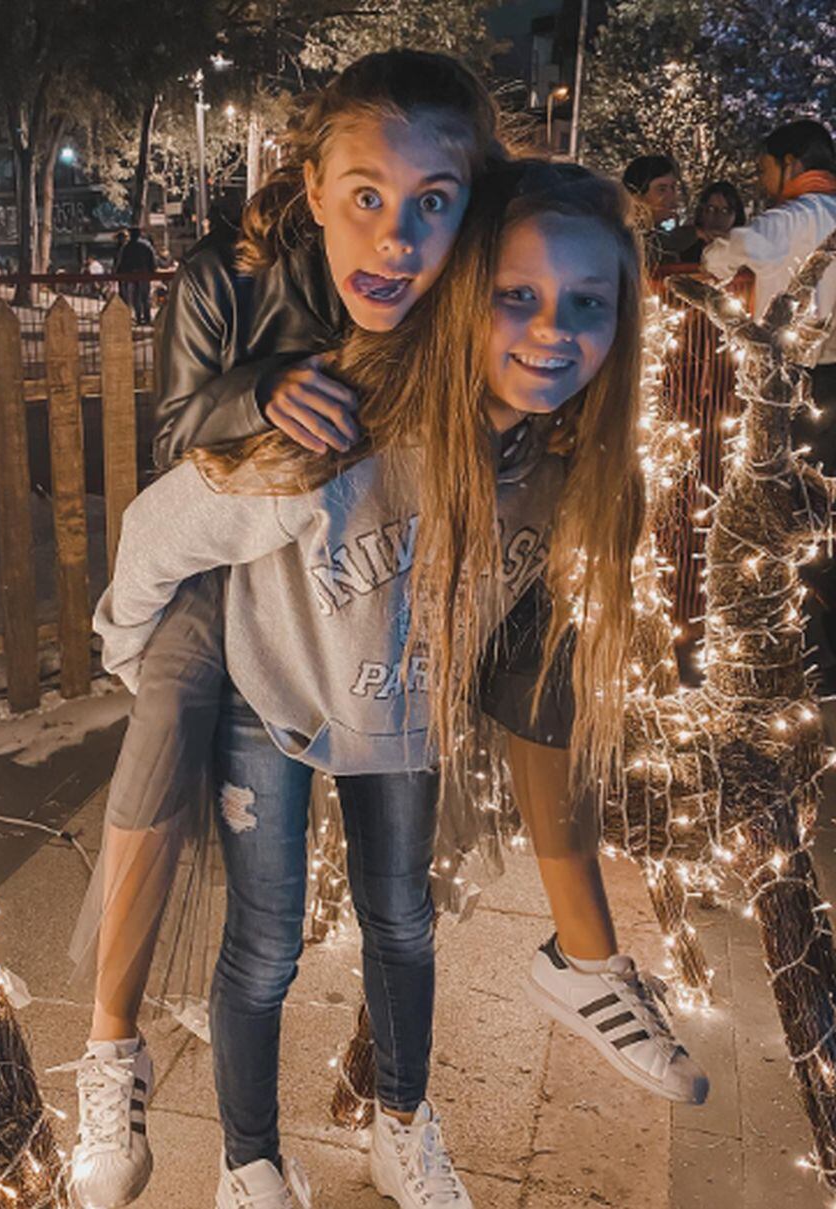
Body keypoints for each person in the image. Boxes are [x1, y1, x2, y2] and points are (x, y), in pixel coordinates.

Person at [94, 159, 708, 1209]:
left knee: (403, 926)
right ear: (466, 298)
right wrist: (131, 648)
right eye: (518, 296)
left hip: (402, 715)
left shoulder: (563, 469)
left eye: (587, 304)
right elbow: (163, 524)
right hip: (271, 702)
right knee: (266, 941)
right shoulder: (349, 436)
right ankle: (248, 1162)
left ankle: (403, 1126)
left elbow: (534, 666)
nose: (552, 331)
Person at [60, 50, 503, 1209]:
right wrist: (260, 393)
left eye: (432, 204)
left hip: (384, 632)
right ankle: (163, 1088)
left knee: (401, 909)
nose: (397, 239)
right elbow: (174, 437)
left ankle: (397, 1112)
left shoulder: (472, 300)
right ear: (310, 186)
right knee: (229, 866)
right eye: (366, 196)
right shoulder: (227, 276)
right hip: (243, 610)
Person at [703, 119, 836, 686]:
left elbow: (722, 257)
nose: (760, 183)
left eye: (763, 170)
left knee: (787, 517)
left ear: (790, 162)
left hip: (799, 384)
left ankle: (803, 651)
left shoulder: (789, 221)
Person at [621, 154, 694, 266]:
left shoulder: (657, 231)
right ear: (637, 197)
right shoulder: (624, 236)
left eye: (673, 188)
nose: (671, 197)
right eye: (661, 189)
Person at [678, 181, 746, 264]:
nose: (718, 216)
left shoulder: (746, 252)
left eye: (725, 211)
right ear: (701, 212)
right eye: (711, 209)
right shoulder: (686, 247)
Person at [116, 225, 157, 324]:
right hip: (144, 273)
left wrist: (121, 273)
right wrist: (152, 271)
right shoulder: (146, 245)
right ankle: (147, 317)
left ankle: (139, 317)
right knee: (144, 296)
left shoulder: (126, 246)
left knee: (135, 296)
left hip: (131, 275)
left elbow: (121, 262)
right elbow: (152, 259)